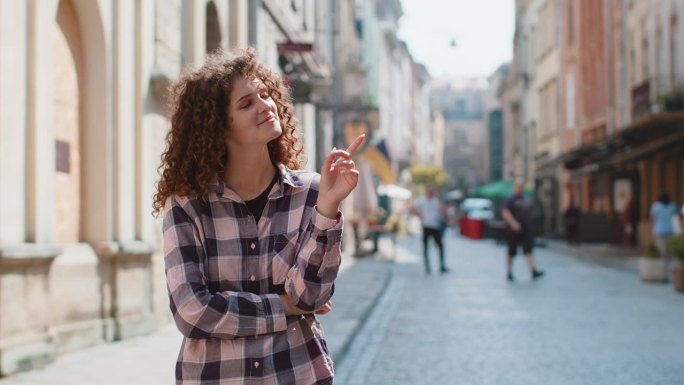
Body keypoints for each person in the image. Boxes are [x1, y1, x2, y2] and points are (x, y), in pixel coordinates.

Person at [152, 48, 365, 385]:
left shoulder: (311, 193)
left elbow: (310, 297)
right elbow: (193, 312)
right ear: (218, 127)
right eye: (246, 103)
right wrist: (285, 306)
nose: (265, 105)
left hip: (296, 374)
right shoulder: (187, 205)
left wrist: (327, 209)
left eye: (265, 94)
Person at [501, 179, 545, 282]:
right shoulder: (510, 199)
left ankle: (533, 270)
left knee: (528, 250)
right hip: (513, 230)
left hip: (526, 229)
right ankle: (509, 271)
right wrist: (513, 223)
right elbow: (505, 212)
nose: (519, 188)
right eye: (518, 186)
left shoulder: (526, 199)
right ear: (515, 186)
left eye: (521, 186)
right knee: (511, 251)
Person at [412, 185, 449, 274]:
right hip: (426, 226)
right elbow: (413, 208)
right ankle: (427, 267)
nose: (430, 193)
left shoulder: (436, 201)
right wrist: (419, 215)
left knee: (440, 246)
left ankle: (442, 265)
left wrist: (444, 215)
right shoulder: (422, 201)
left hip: (435, 226)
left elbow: (442, 210)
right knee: (425, 247)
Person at [649, 191, 679, 275]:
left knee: (662, 251)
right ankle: (670, 269)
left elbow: (653, 219)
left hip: (659, 231)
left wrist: (652, 229)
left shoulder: (655, 206)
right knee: (671, 251)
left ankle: (663, 270)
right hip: (671, 230)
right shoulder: (673, 206)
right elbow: (676, 218)